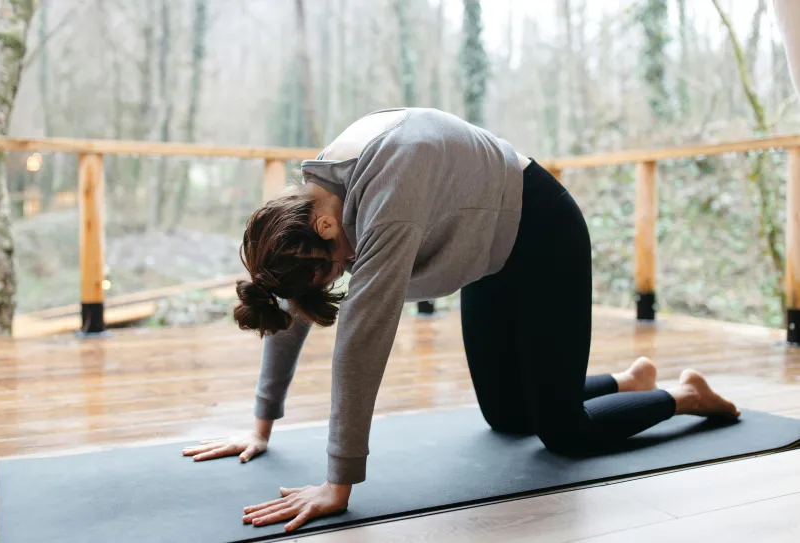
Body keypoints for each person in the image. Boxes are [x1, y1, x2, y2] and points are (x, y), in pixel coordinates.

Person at [182, 108, 740, 533]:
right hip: (487, 253)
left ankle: (683, 394)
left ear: (326, 230)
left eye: (336, 268)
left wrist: (338, 482)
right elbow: (293, 301)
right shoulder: (320, 202)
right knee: (507, 417)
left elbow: (363, 337)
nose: (344, 271)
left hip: (543, 233)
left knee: (565, 434)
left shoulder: (386, 193)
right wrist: (261, 422)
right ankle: (624, 381)